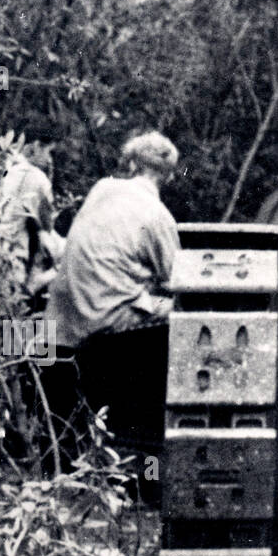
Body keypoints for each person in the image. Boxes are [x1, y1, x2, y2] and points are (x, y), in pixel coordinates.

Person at [46, 132, 181, 458]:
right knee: (183, 313)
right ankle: (152, 447)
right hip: (109, 325)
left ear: (130, 164)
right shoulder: (157, 215)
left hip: (64, 319)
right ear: (170, 175)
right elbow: (177, 278)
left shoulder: (101, 190)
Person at [0, 138, 64, 305]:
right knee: (10, 311)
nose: (49, 160)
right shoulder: (37, 178)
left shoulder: (6, 167)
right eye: (48, 152)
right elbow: (47, 226)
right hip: (12, 253)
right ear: (37, 146)